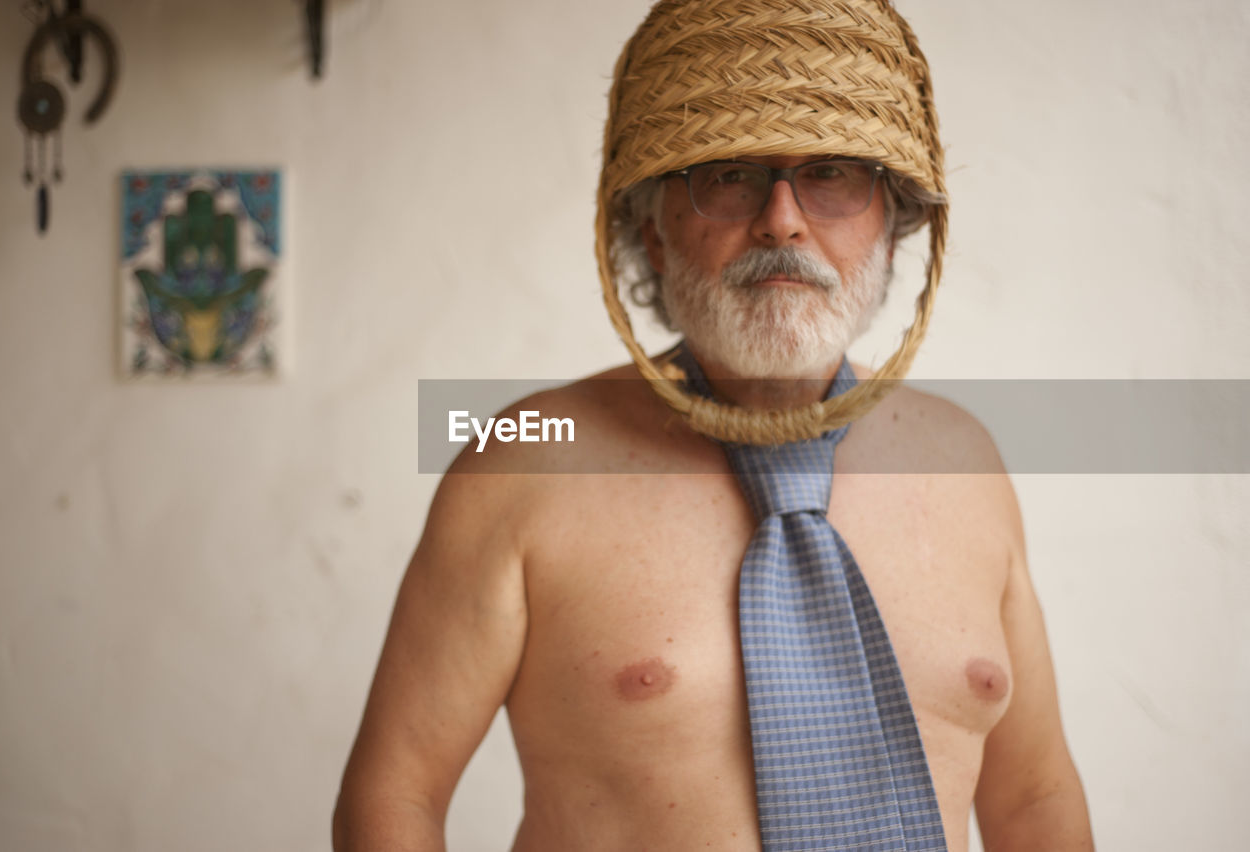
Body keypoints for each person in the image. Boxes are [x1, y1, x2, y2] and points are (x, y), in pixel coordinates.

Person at [333, 0, 1094, 849]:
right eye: (728, 173)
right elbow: (396, 790)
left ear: (894, 221)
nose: (782, 219)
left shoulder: (966, 457)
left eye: (834, 172)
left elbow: (1034, 800)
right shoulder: (519, 457)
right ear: (653, 231)